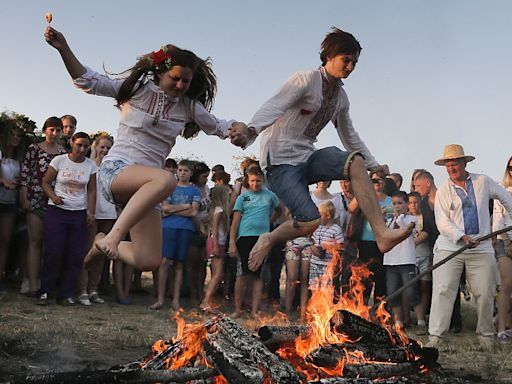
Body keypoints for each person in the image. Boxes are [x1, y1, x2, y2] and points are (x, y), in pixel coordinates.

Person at [45, 26, 246, 271]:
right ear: (161, 72)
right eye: (175, 78)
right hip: (118, 171)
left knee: (148, 260)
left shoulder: (189, 107)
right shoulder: (137, 89)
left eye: (186, 81)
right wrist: (63, 48)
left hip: (149, 189)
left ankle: (101, 242)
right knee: (166, 180)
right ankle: (114, 236)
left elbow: (221, 127)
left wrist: (239, 129)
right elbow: (87, 81)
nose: (181, 85)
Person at [229, 27, 412, 273]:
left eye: (354, 63)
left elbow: (349, 135)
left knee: (355, 162)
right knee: (310, 222)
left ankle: (382, 234)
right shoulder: (305, 80)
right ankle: (269, 238)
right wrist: (250, 130)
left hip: (308, 156)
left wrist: (374, 164)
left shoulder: (341, 98)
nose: (350, 67)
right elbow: (274, 105)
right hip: (280, 162)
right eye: (345, 60)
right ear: (328, 56)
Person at [427, 144, 512, 349]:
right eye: (447, 165)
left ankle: (486, 336)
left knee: (485, 290)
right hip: (450, 247)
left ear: (464, 163)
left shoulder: (482, 181)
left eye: (454, 164)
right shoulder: (443, 192)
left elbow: (506, 197)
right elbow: (442, 223)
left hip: (481, 248)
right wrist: (461, 236)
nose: (451, 169)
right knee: (443, 290)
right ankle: (436, 338)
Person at [37, 132, 97, 305]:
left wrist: (91, 212)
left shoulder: (90, 166)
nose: (82, 149)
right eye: (79, 145)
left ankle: (66, 294)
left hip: (78, 213)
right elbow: (46, 181)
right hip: (57, 211)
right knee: (53, 251)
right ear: (71, 143)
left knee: (75, 254)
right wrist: (53, 197)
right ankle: (46, 291)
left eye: (86, 146)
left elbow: (92, 190)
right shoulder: (59, 160)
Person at [20, 116, 66, 294]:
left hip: (56, 202)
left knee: (52, 244)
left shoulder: (63, 153)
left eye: (58, 130)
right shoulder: (34, 149)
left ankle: (48, 284)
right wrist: (24, 197)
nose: (54, 133)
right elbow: (25, 174)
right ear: (45, 130)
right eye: (51, 129)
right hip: (35, 200)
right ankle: (32, 283)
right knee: (34, 241)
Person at [229, 167, 281, 318]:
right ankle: (238, 310)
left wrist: (269, 223)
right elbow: (235, 222)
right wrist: (232, 243)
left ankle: (254, 311)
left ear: (263, 180)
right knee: (242, 274)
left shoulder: (270, 196)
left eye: (258, 181)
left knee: (258, 275)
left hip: (262, 239)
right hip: (244, 238)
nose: (255, 184)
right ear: (247, 180)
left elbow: (279, 211)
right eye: (252, 181)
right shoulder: (243, 197)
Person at [151, 160, 199, 310]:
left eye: (186, 170)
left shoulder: (195, 191)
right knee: (165, 262)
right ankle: (160, 298)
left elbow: (194, 212)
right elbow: (165, 208)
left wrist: (175, 209)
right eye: (180, 170)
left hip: (186, 229)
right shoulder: (171, 188)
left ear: (191, 173)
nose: (182, 173)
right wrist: (185, 206)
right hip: (169, 227)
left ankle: (176, 300)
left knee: (179, 264)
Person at [77, 134, 116, 306]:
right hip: (91, 213)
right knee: (87, 251)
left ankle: (93, 289)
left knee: (101, 254)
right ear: (95, 146)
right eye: (102, 147)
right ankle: (81, 290)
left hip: (109, 213)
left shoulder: (114, 168)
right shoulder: (88, 165)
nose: (105, 151)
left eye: (108, 148)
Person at [383, 191, 425, 329]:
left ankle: (420, 321)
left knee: (411, 292)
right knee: (393, 292)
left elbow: (405, 229)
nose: (397, 206)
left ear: (407, 204)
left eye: (400, 203)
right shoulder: (389, 221)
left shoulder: (411, 219)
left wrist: (398, 217)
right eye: (394, 204)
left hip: (406, 261)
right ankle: (398, 321)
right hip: (390, 261)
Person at [0, 115, 26, 290]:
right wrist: (3, 182)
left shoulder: (19, 158)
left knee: (5, 241)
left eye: (18, 135)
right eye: (12, 134)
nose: (16, 138)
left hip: (10, 203)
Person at [201, 184, 231, 311]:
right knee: (218, 274)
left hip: (217, 242)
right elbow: (214, 229)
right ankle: (205, 301)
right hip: (216, 242)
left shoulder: (217, 209)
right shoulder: (219, 210)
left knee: (217, 273)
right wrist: (216, 245)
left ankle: (209, 300)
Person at [492, 155, 512, 343]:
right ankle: (500, 330)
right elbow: (498, 220)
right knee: (506, 285)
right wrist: (506, 241)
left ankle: (507, 324)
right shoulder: (502, 190)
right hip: (504, 241)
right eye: (511, 168)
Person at [407, 191, 432, 325]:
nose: (413, 205)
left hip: (425, 254)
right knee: (411, 287)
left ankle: (421, 317)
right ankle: (410, 315)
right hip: (410, 256)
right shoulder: (404, 218)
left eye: (416, 202)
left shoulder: (425, 217)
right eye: (410, 202)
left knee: (424, 286)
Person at [309, 201, 344, 291]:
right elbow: (311, 240)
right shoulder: (317, 227)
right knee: (314, 287)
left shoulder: (336, 229)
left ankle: (325, 304)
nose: (318, 217)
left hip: (327, 265)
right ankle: (314, 304)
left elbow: (341, 246)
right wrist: (312, 247)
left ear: (328, 216)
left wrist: (329, 245)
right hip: (315, 262)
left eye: (320, 215)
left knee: (326, 289)